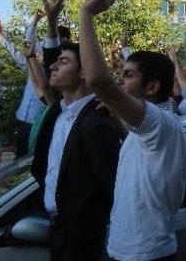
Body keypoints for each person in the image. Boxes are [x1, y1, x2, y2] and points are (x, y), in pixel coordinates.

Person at [78, 0, 186, 261]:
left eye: (127, 75)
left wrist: (86, 14)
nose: (120, 81)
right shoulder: (150, 129)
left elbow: (97, 80)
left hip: (144, 255)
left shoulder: (159, 122)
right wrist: (116, 116)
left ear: (151, 87)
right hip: (126, 250)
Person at [30, 41, 121, 261]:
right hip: (57, 229)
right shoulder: (57, 114)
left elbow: (111, 187)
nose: (53, 66)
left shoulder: (99, 121)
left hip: (83, 237)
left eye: (63, 62)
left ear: (83, 72)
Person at [0, 17, 46, 157]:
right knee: (20, 158)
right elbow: (22, 45)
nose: (35, 53)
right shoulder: (30, 70)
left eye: (40, 51)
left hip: (37, 125)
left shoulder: (52, 76)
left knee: (35, 159)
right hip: (21, 122)